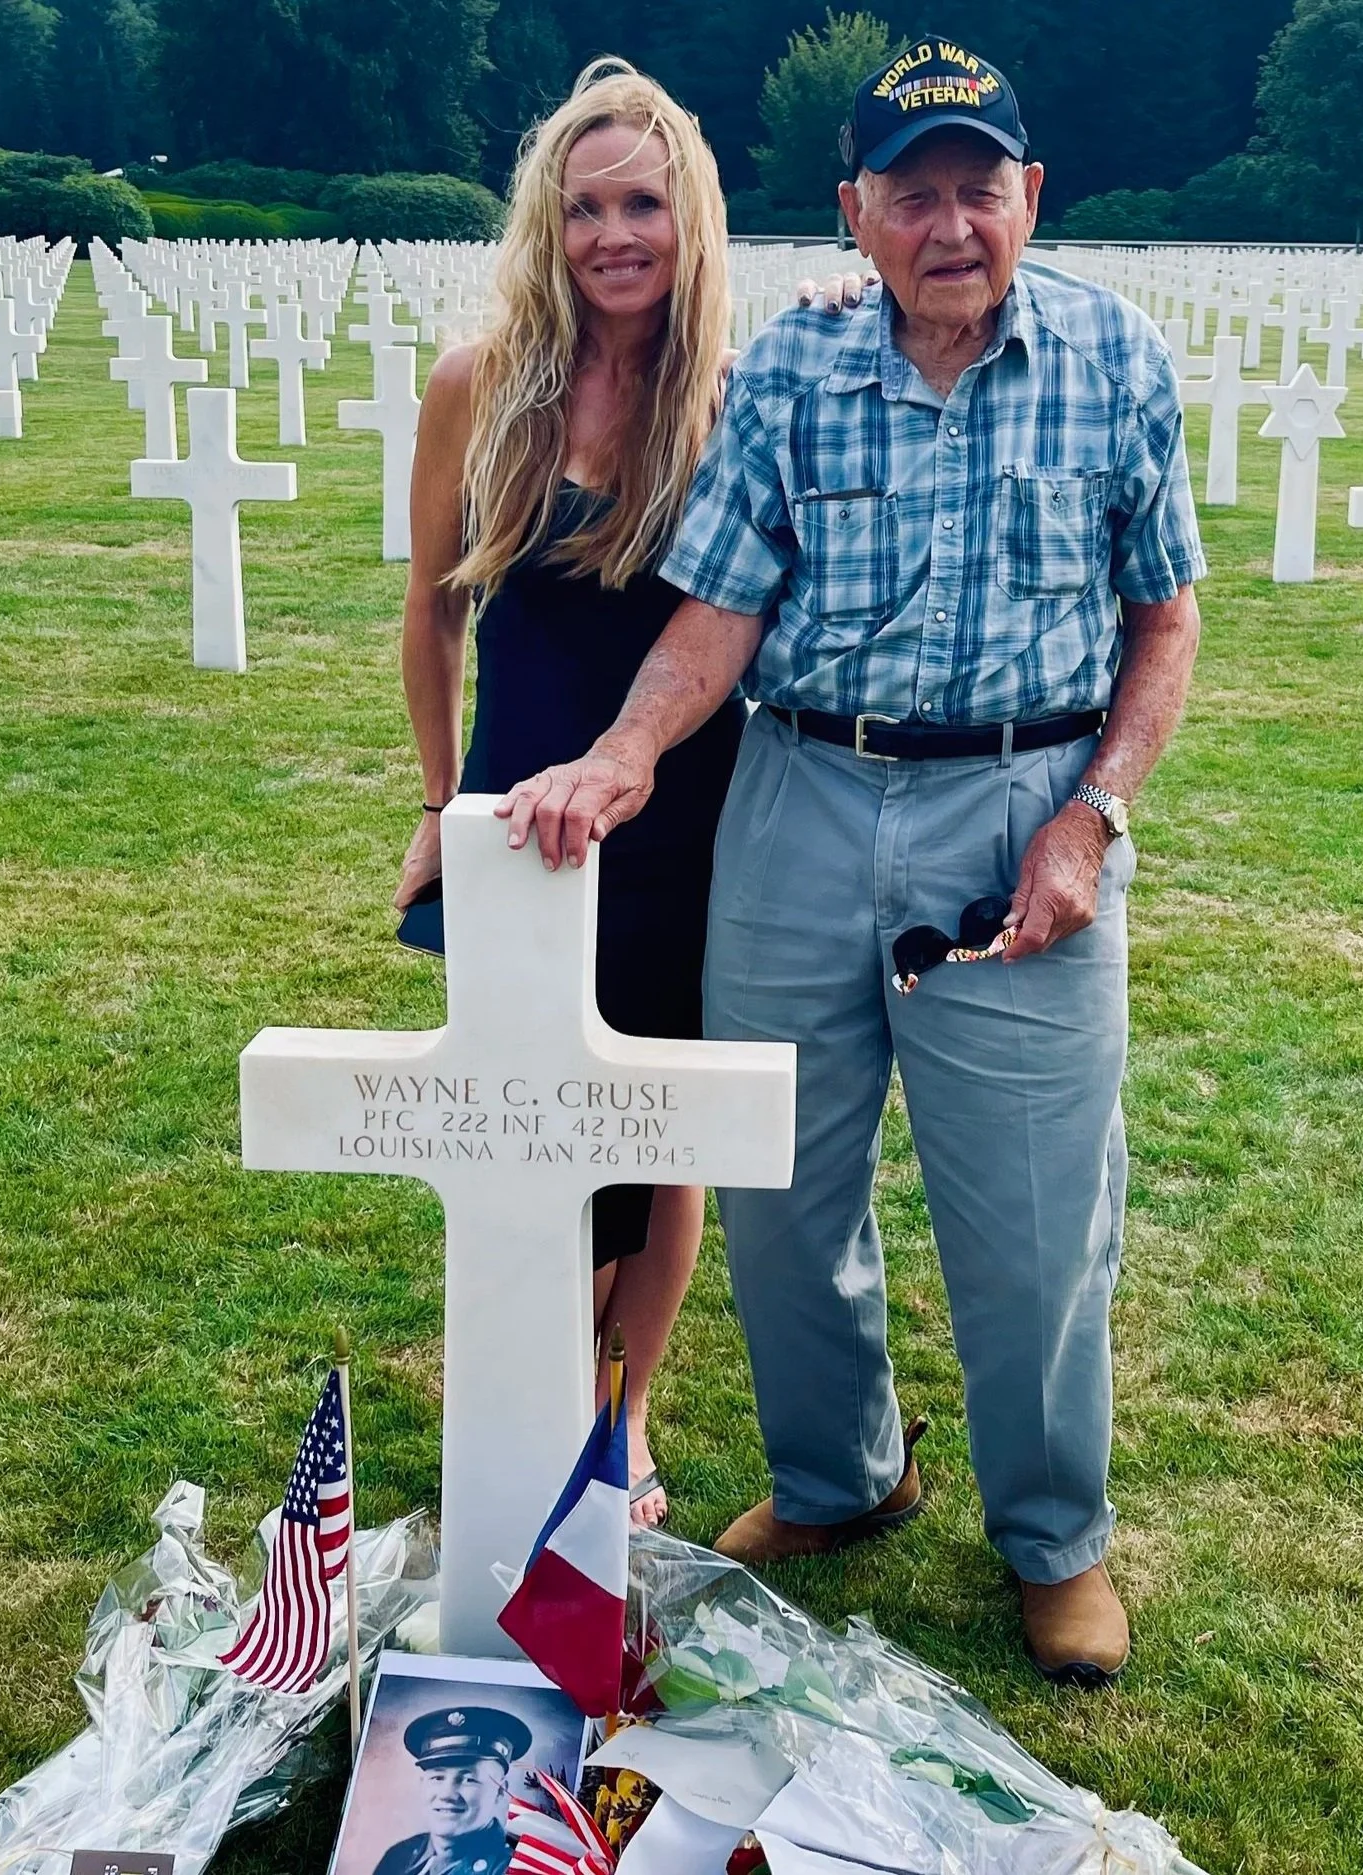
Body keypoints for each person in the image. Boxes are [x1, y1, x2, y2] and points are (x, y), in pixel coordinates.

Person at [495, 38, 1206, 1687]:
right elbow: (724, 603)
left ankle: (1053, 1538)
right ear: (854, 216)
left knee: (1032, 1218)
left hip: (1017, 806)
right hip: (802, 797)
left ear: (1032, 196)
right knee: (778, 1182)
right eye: (913, 192)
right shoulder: (793, 372)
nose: (949, 222)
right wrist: (625, 752)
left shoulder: (1116, 360)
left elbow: (1163, 614)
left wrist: (1096, 811)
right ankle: (838, 1477)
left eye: (980, 186)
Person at [395, 59, 743, 1529]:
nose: (615, 234)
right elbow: (430, 607)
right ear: (548, 219)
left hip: (682, 806)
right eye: (586, 204)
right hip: (514, 806)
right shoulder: (478, 386)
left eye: (644, 204)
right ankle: (538, 1387)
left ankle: (628, 1407)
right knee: (530, 1114)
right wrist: (432, 798)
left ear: (690, 218)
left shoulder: (729, 394)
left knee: (660, 1129)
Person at [368, 1705, 532, 1875]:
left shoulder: (516, 1868)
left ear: (500, 1791)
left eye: (469, 1779)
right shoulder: (398, 1858)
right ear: (422, 1783)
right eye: (437, 1778)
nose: (447, 1794)